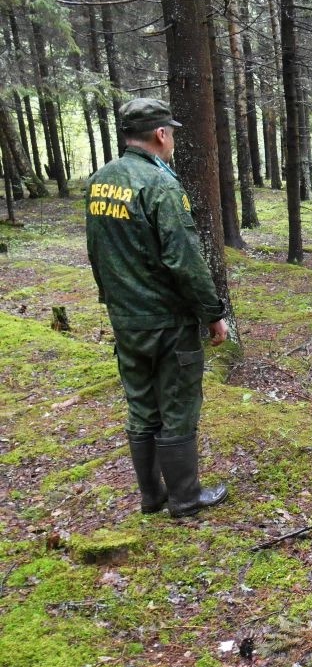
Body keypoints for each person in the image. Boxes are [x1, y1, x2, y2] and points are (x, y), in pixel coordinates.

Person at [86, 98, 230, 518]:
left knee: (142, 406)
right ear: (161, 134)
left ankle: (152, 496)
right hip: (167, 320)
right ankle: (185, 497)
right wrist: (212, 312)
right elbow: (185, 259)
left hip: (127, 319)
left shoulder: (100, 181)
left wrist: (113, 299)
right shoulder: (160, 185)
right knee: (178, 405)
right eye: (172, 133)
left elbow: (97, 251)